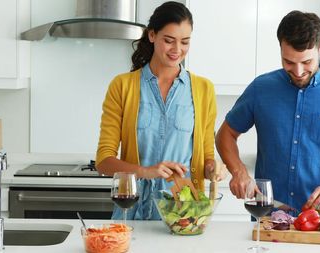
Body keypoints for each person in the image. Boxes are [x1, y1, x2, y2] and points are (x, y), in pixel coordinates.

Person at [215, 11, 320, 215]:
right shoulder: (261, 89)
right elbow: (225, 134)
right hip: (269, 218)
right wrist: (239, 172)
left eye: (306, 62)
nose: (298, 71)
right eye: (288, 62)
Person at [96, 1, 226, 220]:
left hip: (184, 216)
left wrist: (213, 168)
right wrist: (146, 171)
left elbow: (206, 159)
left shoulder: (204, 89)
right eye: (169, 40)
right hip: (132, 212)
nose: (177, 50)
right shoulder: (122, 86)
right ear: (152, 35)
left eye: (185, 42)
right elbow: (103, 161)